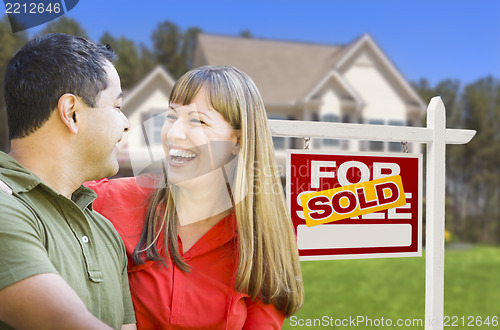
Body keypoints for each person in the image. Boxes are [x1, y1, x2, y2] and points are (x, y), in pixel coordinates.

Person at [85, 65, 305, 329]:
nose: (174, 133)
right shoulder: (114, 199)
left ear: (238, 139)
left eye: (197, 120)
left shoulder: (260, 240)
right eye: (171, 116)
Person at [0, 34, 136, 330]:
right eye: (116, 106)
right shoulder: (4, 205)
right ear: (71, 113)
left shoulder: (105, 232)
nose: (126, 123)